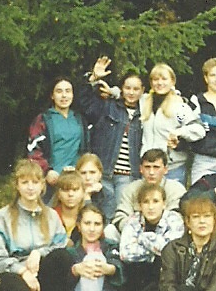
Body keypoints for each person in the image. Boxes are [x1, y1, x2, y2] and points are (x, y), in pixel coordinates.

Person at [0, 160, 75, 291]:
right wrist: (22, 271)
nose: (30, 187)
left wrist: (39, 253)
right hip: (12, 272)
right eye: (25, 182)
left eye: (35, 182)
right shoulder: (2, 217)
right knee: (13, 287)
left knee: (63, 257)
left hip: (40, 270)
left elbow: (60, 244)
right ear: (17, 186)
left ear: (42, 185)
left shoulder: (51, 216)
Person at [118, 182, 185, 291]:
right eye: (146, 202)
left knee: (162, 267)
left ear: (164, 204)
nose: (151, 207)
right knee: (155, 266)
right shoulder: (133, 220)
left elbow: (169, 251)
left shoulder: (174, 219)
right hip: (139, 273)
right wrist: (154, 252)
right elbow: (126, 253)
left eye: (155, 201)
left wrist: (144, 238)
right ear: (139, 205)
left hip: (164, 274)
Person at [75, 57, 144, 207]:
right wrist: (93, 79)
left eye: (136, 89)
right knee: (98, 211)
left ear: (142, 91)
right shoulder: (108, 106)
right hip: (104, 171)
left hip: (127, 176)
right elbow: (85, 105)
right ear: (121, 89)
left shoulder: (145, 114)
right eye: (127, 88)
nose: (131, 93)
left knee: (121, 212)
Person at [61, 203, 134, 291]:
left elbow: (118, 266)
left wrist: (109, 268)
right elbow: (63, 283)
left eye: (97, 224)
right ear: (79, 226)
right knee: (92, 259)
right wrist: (76, 270)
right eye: (87, 223)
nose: (92, 229)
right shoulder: (69, 252)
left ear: (103, 227)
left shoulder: (111, 246)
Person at [140, 62, 205, 184]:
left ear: (172, 81)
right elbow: (125, 95)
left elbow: (199, 129)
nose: (160, 83)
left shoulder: (179, 106)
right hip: (149, 167)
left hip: (172, 167)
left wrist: (178, 132)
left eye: (164, 79)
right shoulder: (144, 102)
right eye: (156, 79)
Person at [27, 77, 87, 187]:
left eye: (68, 91)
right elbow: (34, 150)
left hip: (76, 178)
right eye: (59, 91)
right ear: (52, 95)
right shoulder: (44, 119)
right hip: (52, 178)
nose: (64, 95)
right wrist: (47, 171)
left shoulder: (79, 119)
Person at [112, 148, 187, 232]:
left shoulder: (176, 189)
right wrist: (135, 229)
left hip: (168, 233)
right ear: (141, 169)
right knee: (110, 230)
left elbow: (178, 219)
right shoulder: (131, 189)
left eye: (156, 167)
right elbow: (120, 217)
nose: (151, 172)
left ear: (165, 169)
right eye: (147, 167)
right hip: (134, 232)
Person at [75, 152, 115, 224]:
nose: (88, 178)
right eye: (83, 173)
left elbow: (104, 223)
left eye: (92, 172)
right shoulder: (70, 192)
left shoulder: (107, 195)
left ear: (100, 174)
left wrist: (87, 198)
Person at [50, 170, 86, 244]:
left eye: (75, 190)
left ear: (83, 192)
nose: (70, 194)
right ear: (58, 194)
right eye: (65, 190)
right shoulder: (49, 217)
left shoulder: (90, 217)